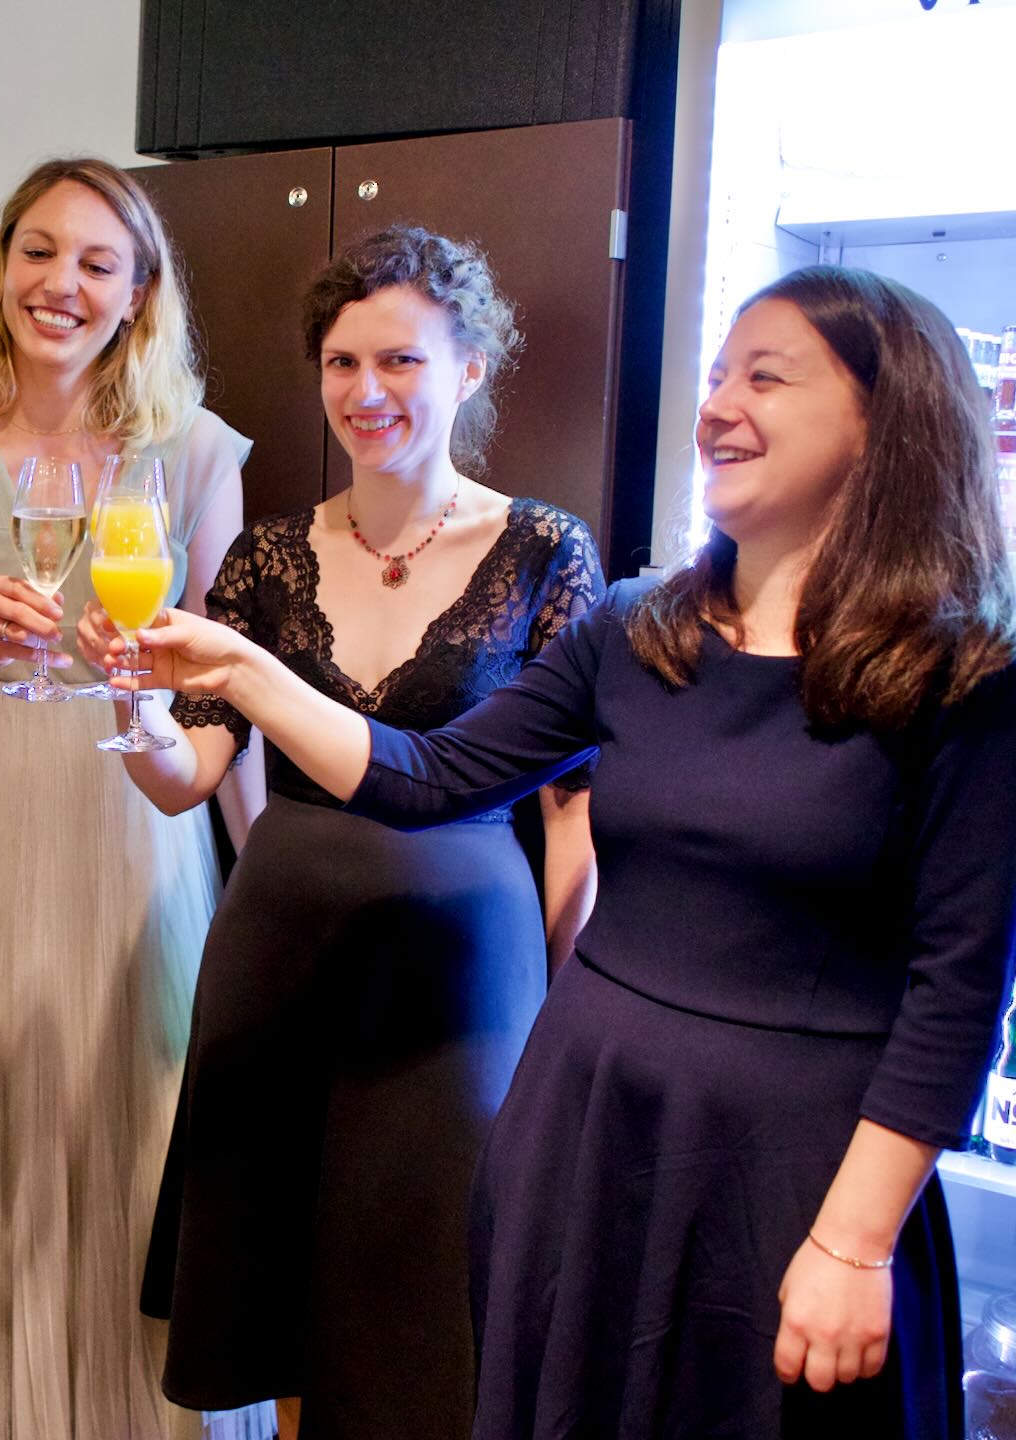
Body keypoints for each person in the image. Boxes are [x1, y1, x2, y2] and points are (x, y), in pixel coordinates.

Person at [113, 265, 1016, 1438]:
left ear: (883, 420)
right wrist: (240, 670)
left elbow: (958, 994)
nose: (718, 404)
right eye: (717, 374)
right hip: (585, 1126)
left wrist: (855, 1241)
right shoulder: (639, 630)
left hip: (795, 1156)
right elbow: (431, 777)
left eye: (766, 377)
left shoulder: (966, 680)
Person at [77, 226, 600, 1440]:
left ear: (470, 369)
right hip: (278, 951)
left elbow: (573, 814)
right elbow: (183, 779)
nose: (367, 391)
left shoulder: (544, 552)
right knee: (281, 1288)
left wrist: (557, 1000)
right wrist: (127, 700)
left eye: (401, 360)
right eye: (342, 362)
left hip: (461, 975)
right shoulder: (267, 556)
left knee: (427, 1303)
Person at [0, 156, 269, 1440]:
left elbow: (221, 690)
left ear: (138, 294)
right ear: (1, 266)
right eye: (38, 250)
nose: (60, 283)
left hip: (127, 818)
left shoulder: (193, 455)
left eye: (95, 262)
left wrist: (266, 879)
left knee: (124, 1113)